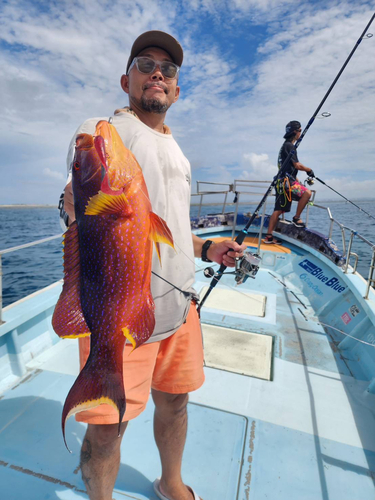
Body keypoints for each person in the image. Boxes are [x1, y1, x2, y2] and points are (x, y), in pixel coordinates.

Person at [61, 30, 247, 500]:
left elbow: (171, 228)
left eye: (168, 70)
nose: (158, 73)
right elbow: (76, 201)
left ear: (177, 90)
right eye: (145, 65)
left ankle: (171, 481)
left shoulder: (178, 152)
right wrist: (73, 207)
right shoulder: (104, 132)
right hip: (118, 310)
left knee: (177, 403)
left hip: (179, 308)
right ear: (127, 80)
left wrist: (207, 249)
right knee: (107, 429)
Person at [264, 120, 314, 244]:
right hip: (286, 183)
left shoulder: (284, 146)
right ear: (295, 132)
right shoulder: (290, 146)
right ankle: (296, 219)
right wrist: (309, 170)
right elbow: (297, 165)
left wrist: (297, 181)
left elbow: (287, 167)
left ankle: (269, 236)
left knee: (278, 210)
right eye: (300, 131)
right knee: (307, 193)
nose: (300, 134)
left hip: (281, 182)